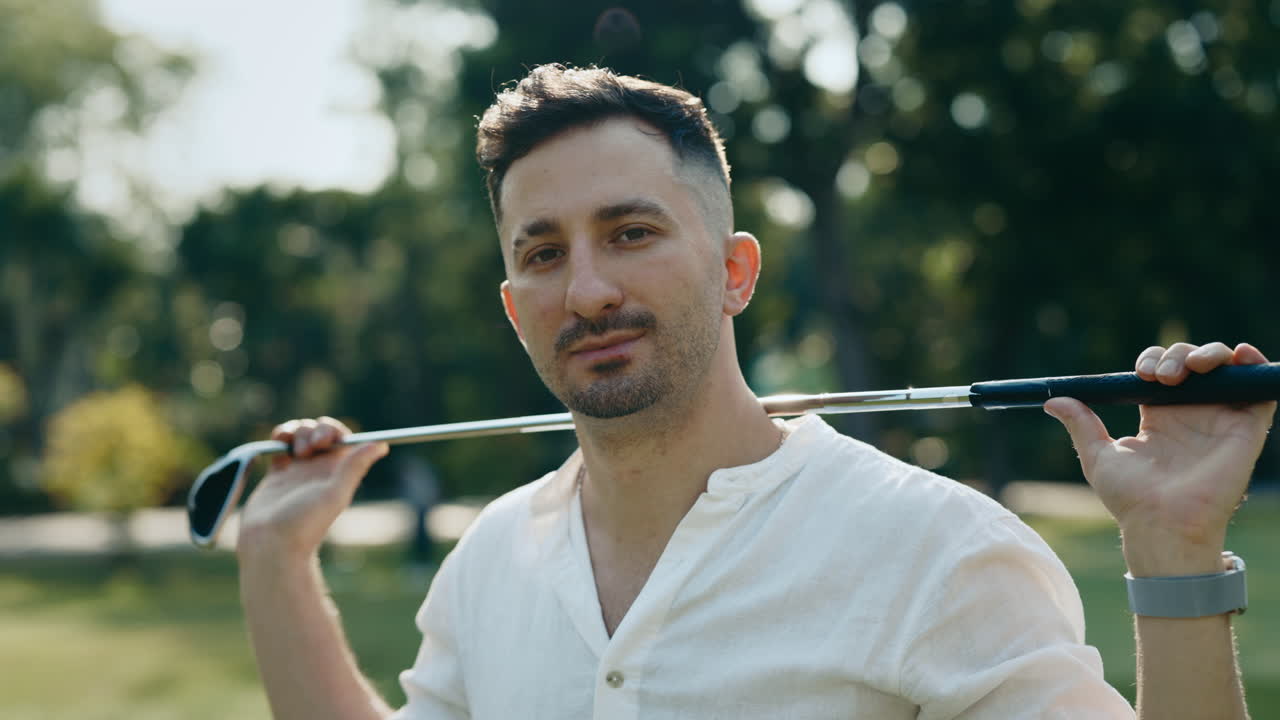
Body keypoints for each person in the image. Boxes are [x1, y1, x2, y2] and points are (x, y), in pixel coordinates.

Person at [235, 65, 1275, 719]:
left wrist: (1173, 556)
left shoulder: (936, 550)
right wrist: (277, 561)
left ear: (735, 271)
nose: (586, 288)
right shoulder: (490, 559)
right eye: (543, 254)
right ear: (515, 308)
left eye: (630, 233)